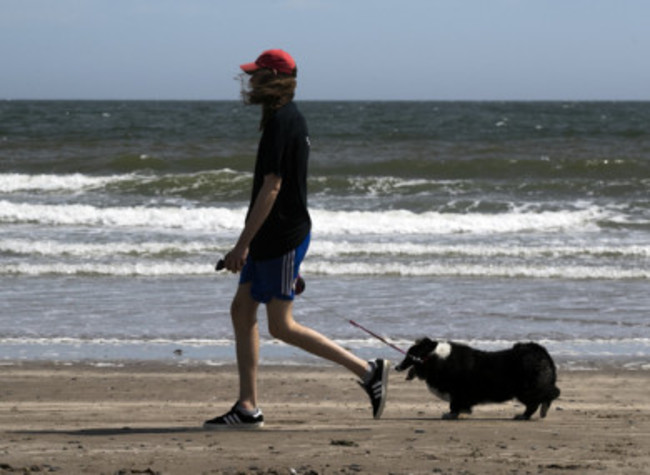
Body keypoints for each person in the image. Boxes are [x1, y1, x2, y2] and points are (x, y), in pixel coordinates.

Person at [203, 49, 389, 430]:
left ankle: (368, 371)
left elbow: (272, 187)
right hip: (270, 236)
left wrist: (242, 245)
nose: (250, 81)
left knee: (281, 326)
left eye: (257, 75)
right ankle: (247, 407)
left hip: (282, 236)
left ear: (274, 78)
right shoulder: (280, 117)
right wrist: (251, 243)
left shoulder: (284, 121)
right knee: (241, 310)